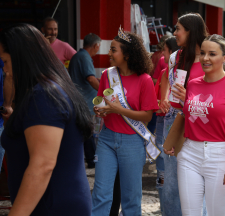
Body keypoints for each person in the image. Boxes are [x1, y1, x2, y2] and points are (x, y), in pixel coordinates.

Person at [0, 23, 92, 215]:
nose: (5, 70)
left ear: (21, 59)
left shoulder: (44, 95)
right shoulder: (48, 89)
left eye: (6, 62)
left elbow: (42, 165)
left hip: (53, 206)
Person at [166, 34, 225, 215]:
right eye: (202, 53)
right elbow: (189, 116)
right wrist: (175, 141)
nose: (205, 58)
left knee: (217, 213)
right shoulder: (193, 84)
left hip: (220, 155)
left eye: (212, 54)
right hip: (189, 154)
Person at [91, 27, 159, 216]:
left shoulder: (145, 80)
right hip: (106, 139)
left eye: (114, 49)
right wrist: (100, 111)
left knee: (131, 197)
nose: (109, 53)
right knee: (101, 194)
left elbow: (147, 116)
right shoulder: (107, 75)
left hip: (132, 141)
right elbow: (102, 103)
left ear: (127, 55)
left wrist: (118, 109)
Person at [159, 13, 208, 216]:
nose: (175, 33)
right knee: (169, 185)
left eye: (179, 28)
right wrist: (164, 97)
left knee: (196, 186)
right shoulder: (175, 56)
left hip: (199, 121)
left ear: (191, 31)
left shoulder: (209, 57)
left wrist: (190, 98)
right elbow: (165, 77)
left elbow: (215, 95)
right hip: (174, 119)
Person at [153, 36, 180, 215]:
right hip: (164, 122)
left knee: (172, 174)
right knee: (164, 174)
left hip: (175, 123)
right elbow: (159, 101)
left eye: (164, 49)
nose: (162, 53)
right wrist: (161, 100)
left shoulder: (181, 72)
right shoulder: (165, 71)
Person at [69, 33, 101, 169]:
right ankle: (91, 159)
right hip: (84, 103)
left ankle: (89, 158)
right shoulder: (84, 57)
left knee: (84, 132)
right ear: (95, 45)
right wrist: (105, 92)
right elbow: (91, 79)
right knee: (87, 132)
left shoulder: (79, 56)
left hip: (81, 101)